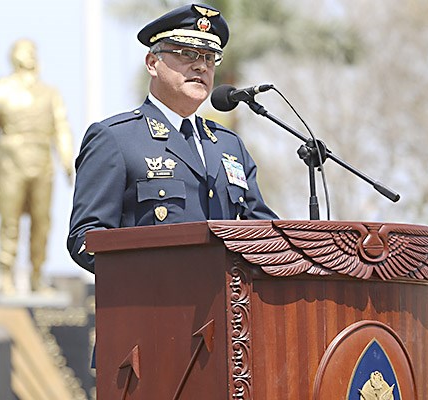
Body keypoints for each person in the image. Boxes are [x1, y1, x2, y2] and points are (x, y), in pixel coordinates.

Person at [68, 4, 278, 272]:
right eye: (188, 54)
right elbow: (85, 239)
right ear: (153, 63)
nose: (201, 66)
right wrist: (158, 281)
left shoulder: (228, 145)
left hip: (231, 307)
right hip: (156, 307)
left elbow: (262, 232)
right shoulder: (116, 139)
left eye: (210, 58)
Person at [0, 38, 74, 294]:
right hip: (11, 164)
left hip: (42, 163)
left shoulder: (49, 93)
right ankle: (6, 276)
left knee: (43, 222)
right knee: (10, 222)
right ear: (14, 56)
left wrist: (67, 160)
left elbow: (61, 127)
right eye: (25, 50)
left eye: (33, 51)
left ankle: (37, 276)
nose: (30, 55)